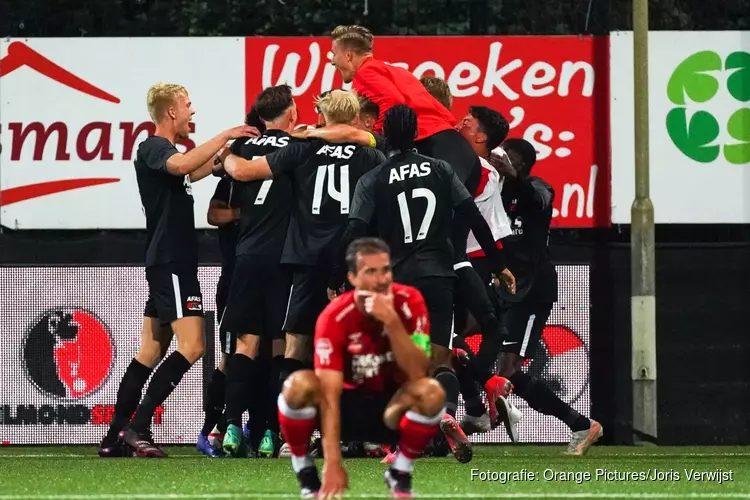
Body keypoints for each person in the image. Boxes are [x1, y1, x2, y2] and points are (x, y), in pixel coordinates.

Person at [328, 104, 516, 464]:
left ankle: (418, 433)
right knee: (440, 360)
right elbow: (474, 217)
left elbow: (353, 231)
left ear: (386, 133)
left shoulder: (374, 178)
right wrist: (499, 264)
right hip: (439, 277)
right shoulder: (442, 169)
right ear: (416, 133)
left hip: (396, 282)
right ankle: (441, 415)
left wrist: (337, 277)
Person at [98, 82, 256, 458]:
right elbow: (183, 165)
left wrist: (226, 155)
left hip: (167, 261)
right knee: (194, 345)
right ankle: (139, 427)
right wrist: (226, 134)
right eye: (187, 105)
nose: (192, 112)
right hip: (172, 262)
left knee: (150, 351)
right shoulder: (154, 147)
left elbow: (194, 170)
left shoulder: (170, 155)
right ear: (171, 112)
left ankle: (115, 436)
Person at [216, 90, 386, 402]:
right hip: (353, 262)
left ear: (323, 116)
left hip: (307, 258)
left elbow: (244, 171)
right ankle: (358, 433)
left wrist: (226, 155)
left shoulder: (304, 147)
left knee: (296, 344)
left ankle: (287, 430)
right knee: (357, 344)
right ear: (355, 117)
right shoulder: (373, 153)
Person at [277, 238, 445, 498]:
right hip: (346, 411)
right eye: (370, 272)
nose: (381, 280)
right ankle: (305, 471)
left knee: (432, 392)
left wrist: (392, 323)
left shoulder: (410, 302)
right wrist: (333, 464)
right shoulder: (334, 317)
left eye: (385, 270)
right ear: (352, 278)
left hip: (391, 409)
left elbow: (419, 371)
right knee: (297, 386)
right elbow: (329, 394)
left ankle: (400, 473)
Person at [215, 85, 306, 457]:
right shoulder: (300, 149)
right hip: (283, 260)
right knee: (280, 348)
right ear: (291, 114)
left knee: (245, 344)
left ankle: (232, 427)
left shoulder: (241, 148)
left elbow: (223, 170)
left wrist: (227, 151)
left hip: (246, 256)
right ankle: (270, 431)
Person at [496, 138, 603, 454]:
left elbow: (539, 200)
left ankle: (581, 425)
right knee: (453, 343)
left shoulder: (538, 189)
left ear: (522, 166)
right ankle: (466, 415)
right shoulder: (492, 192)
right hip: (501, 288)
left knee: (508, 370)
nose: (501, 164)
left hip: (531, 291)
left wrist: (514, 177)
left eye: (509, 160)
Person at [195, 172, 240, 457]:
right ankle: (210, 428)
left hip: (273, 278)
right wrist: (245, 212)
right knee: (230, 356)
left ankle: (253, 428)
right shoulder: (231, 181)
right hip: (234, 281)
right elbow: (214, 214)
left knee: (269, 356)